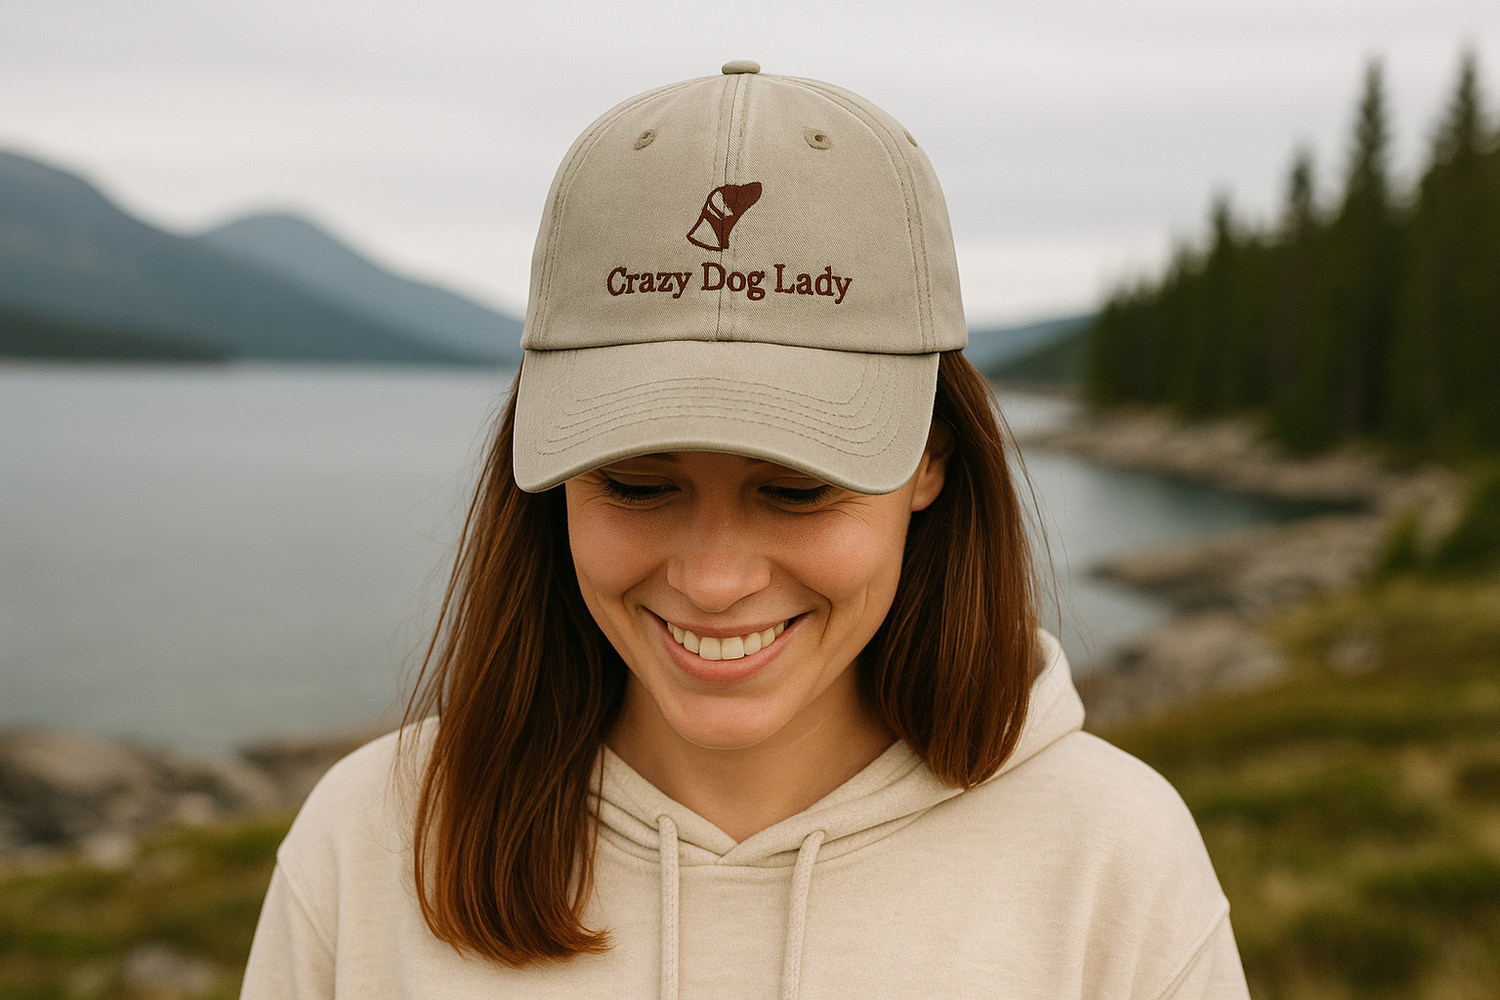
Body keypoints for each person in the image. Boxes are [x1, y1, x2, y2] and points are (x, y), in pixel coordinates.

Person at [241, 61, 1251, 999]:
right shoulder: (370, 843)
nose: (716, 579)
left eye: (799, 488)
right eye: (637, 485)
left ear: (930, 461)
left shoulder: (1115, 857)